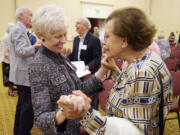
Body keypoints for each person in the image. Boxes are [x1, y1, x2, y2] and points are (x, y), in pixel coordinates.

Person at [58, 7, 173, 135]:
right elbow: (133, 95)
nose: (103, 42)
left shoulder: (143, 73)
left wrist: (86, 114)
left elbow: (134, 131)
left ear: (124, 41)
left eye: (107, 36)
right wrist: (116, 71)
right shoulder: (145, 60)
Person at [28, 4, 103, 135]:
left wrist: (102, 71)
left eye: (65, 34)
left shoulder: (62, 57)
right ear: (41, 35)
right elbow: (40, 119)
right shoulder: (37, 66)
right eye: (58, 36)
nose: (64, 40)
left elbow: (80, 88)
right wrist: (63, 112)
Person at [8, 6, 41, 135]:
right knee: (27, 107)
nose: (32, 18)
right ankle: (24, 132)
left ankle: (19, 132)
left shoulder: (20, 30)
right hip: (23, 74)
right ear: (21, 16)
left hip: (22, 73)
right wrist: (36, 46)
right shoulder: (18, 30)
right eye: (30, 15)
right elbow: (21, 51)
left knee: (22, 105)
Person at [0, 23, 17, 96]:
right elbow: (4, 51)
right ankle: (10, 90)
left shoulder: (10, 36)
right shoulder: (5, 37)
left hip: (11, 60)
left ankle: (12, 87)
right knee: (8, 76)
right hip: (7, 61)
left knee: (12, 75)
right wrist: (10, 60)